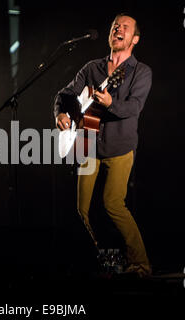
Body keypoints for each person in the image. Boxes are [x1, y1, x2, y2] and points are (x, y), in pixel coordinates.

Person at [53, 13, 152, 277]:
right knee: (81, 209)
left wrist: (111, 104)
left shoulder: (140, 72)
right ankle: (98, 259)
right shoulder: (92, 68)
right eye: (114, 26)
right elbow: (66, 94)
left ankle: (140, 264)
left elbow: (134, 107)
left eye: (125, 27)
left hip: (120, 147)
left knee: (113, 203)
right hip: (87, 143)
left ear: (135, 39)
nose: (118, 29)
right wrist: (61, 114)